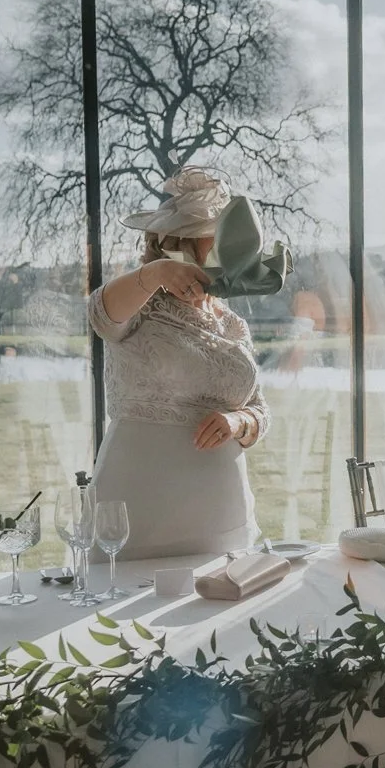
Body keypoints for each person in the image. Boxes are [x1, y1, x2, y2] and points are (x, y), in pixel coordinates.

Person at [88, 168, 270, 559]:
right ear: (180, 243)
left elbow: (258, 406)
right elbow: (99, 313)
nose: (231, 246)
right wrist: (153, 275)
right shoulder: (139, 306)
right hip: (138, 505)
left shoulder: (231, 322)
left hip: (221, 507)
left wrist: (239, 422)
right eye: (217, 234)